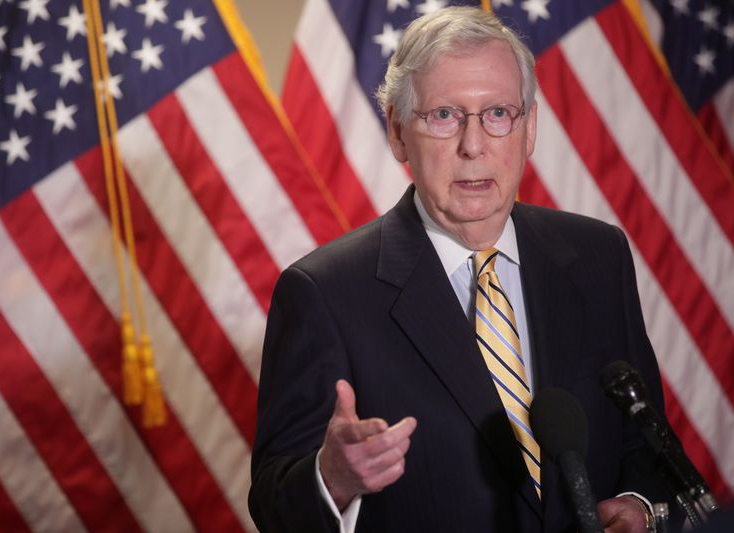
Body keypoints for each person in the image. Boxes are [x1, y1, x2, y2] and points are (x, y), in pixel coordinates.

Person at [249, 6, 667, 532]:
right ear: (399, 133)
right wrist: (332, 477)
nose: (474, 146)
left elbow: (645, 443)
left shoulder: (598, 256)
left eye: (497, 114)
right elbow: (272, 506)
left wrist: (640, 504)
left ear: (529, 127)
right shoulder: (323, 294)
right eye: (444, 115)